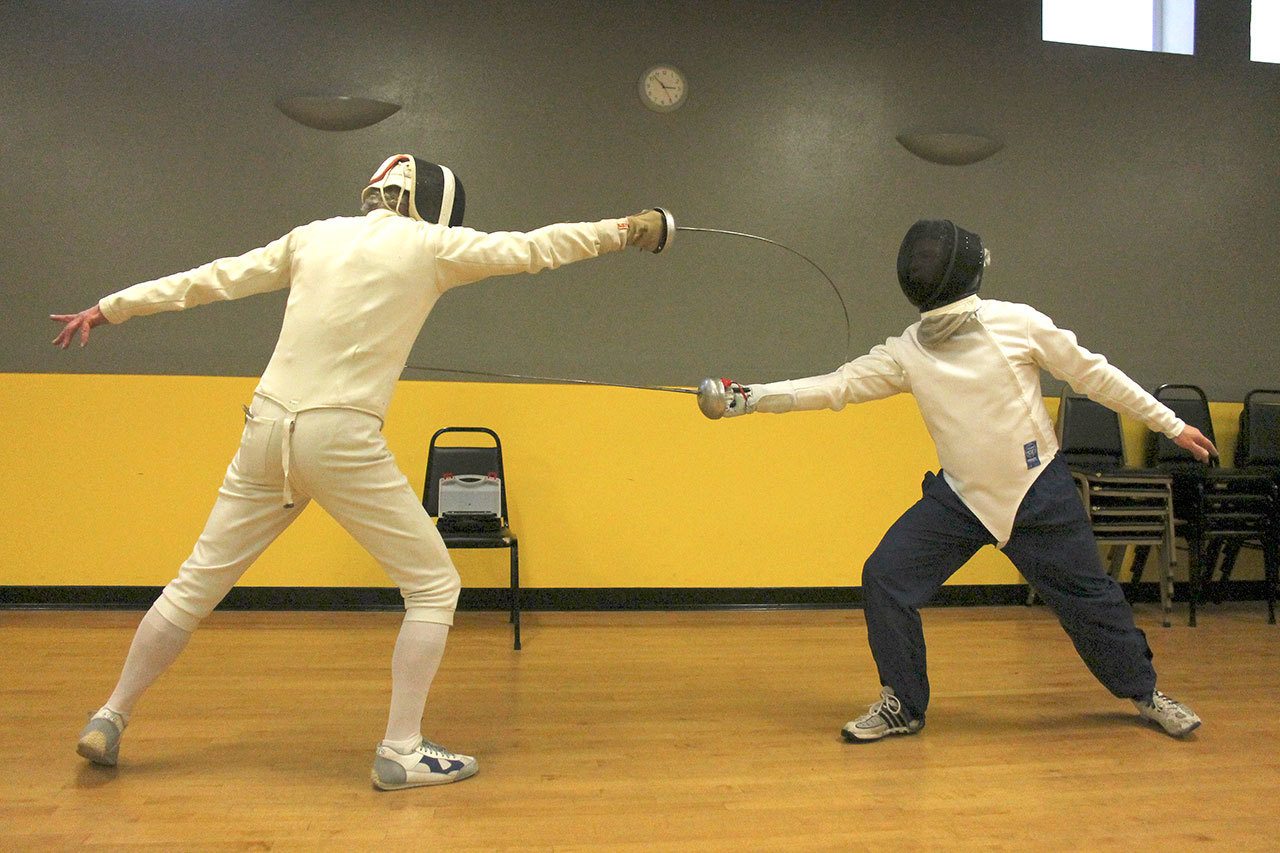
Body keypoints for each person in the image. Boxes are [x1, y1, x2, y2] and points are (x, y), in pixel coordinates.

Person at [51, 153, 669, 788]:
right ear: (434, 201)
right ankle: (402, 750)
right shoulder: (432, 245)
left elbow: (212, 279)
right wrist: (628, 229)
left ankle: (111, 715)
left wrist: (110, 307)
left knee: (194, 584)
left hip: (265, 428)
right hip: (338, 435)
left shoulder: (313, 236)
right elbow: (537, 248)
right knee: (433, 586)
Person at [707, 219, 1210, 742]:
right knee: (886, 577)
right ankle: (902, 705)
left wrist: (1170, 424)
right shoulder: (908, 351)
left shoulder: (1017, 323)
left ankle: (1146, 694)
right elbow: (837, 386)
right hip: (962, 498)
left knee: (1090, 601)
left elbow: (1092, 374)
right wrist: (750, 396)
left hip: (1037, 491)